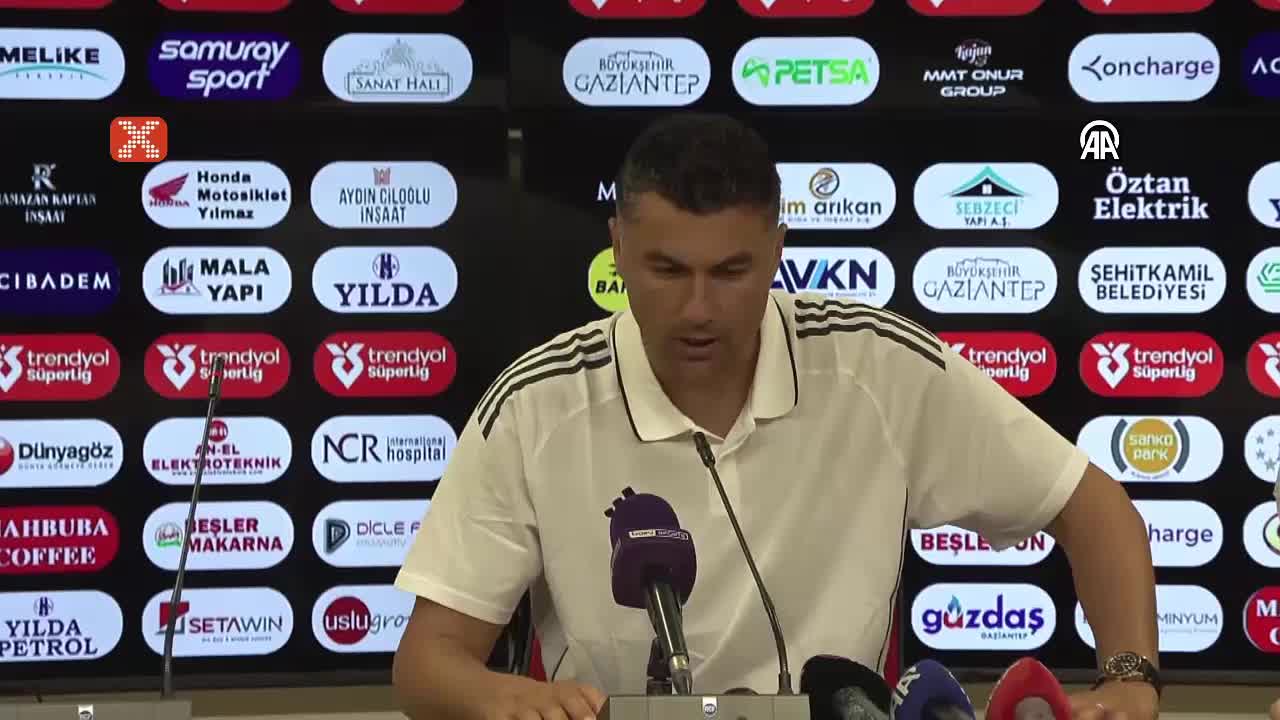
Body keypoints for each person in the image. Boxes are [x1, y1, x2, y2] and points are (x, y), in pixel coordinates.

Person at [390, 112, 1161, 720]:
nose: (698, 308)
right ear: (617, 248)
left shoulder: (876, 366)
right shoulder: (535, 403)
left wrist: (1130, 678)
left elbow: (1092, 506)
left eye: (731, 271)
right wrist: (505, 699)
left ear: (778, 250)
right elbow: (429, 660)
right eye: (667, 269)